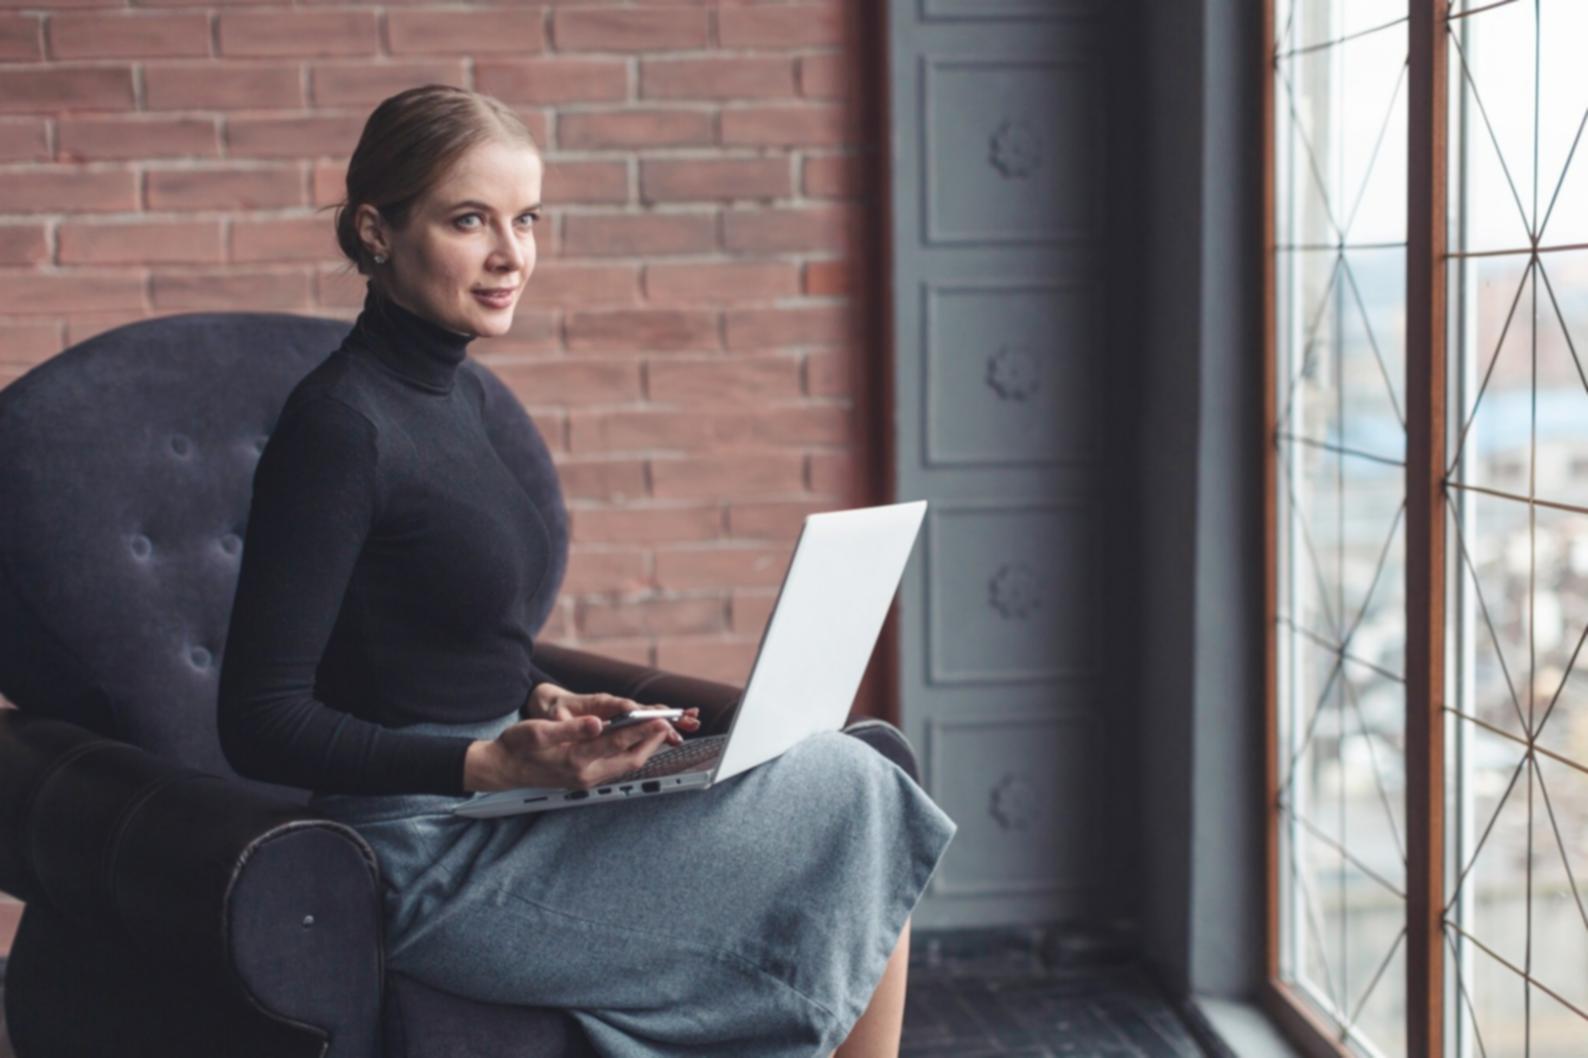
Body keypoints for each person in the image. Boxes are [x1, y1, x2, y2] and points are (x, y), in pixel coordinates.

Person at [216, 84, 956, 1058]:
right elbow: (257, 718)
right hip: (419, 848)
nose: (510, 254)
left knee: (852, 775)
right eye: (468, 219)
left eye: (525, 220)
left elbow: (428, 631)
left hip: (512, 802)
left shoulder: (466, 399)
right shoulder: (339, 427)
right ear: (376, 229)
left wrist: (543, 695)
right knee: (850, 797)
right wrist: (482, 759)